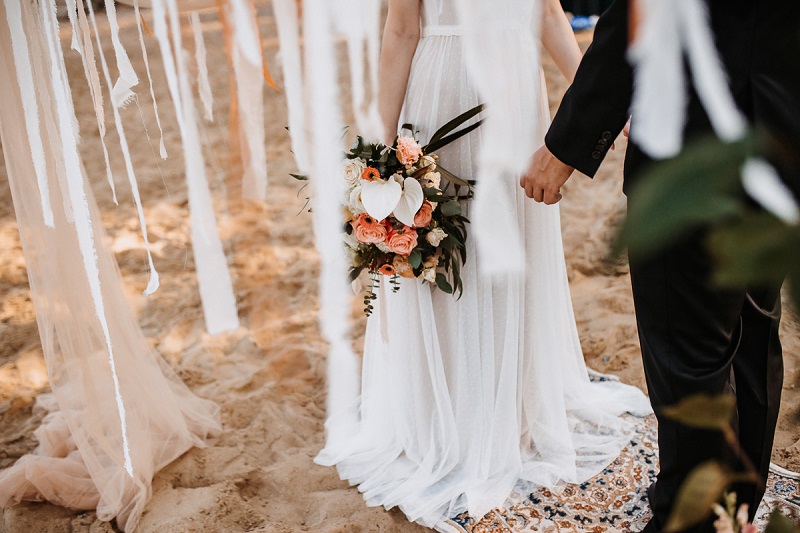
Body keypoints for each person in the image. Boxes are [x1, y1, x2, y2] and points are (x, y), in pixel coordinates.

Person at [315, 0, 651, 528]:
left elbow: (548, 14)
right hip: (446, 95)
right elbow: (401, 31)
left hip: (520, 103)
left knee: (514, 253)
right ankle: (450, 413)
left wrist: (599, 101)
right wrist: (379, 154)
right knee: (451, 257)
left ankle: (512, 405)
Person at [521, 0, 800, 531]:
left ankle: (688, 520)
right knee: (753, 332)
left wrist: (565, 145)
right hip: (782, 150)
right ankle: (737, 505)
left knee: (688, 354)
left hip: (692, 156)